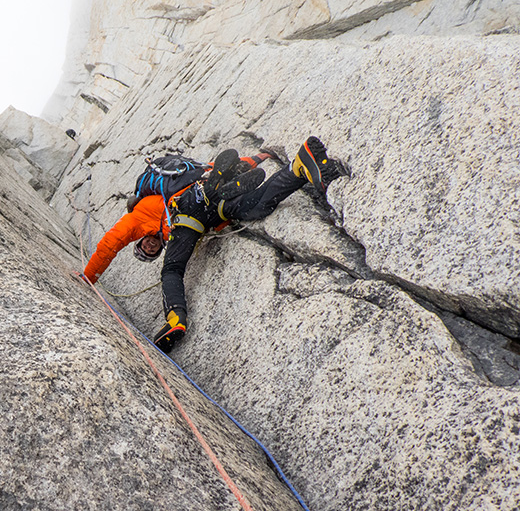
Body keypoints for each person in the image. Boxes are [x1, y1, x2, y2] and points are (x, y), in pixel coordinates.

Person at [153, 136, 344, 353]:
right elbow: (233, 159)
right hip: (215, 205)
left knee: (172, 269)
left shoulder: (150, 203)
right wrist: (260, 157)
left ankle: (176, 318)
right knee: (257, 206)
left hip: (188, 213)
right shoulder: (181, 172)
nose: (151, 247)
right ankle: (299, 166)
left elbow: (125, 238)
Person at [79, 152, 271, 284]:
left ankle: (240, 171)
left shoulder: (135, 220)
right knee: (214, 208)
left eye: (144, 247)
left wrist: (89, 277)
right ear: (158, 252)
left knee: (214, 174)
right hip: (196, 206)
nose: (149, 247)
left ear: (139, 241)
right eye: (151, 252)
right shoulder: (169, 237)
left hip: (185, 192)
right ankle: (230, 187)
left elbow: (109, 245)